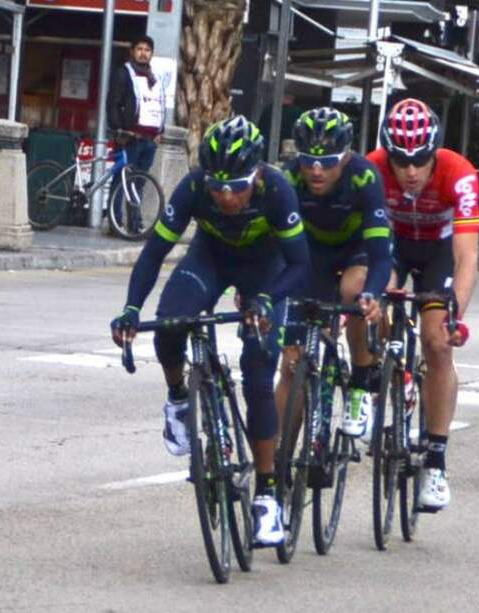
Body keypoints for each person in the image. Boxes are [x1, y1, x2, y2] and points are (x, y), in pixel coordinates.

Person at [110, 116, 310, 546]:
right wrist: (130, 309)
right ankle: (180, 400)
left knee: (258, 374)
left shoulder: (276, 189)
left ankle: (268, 497)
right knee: (169, 323)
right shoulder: (195, 187)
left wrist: (266, 300)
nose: (224, 196)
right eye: (217, 186)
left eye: (235, 187)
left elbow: (299, 263)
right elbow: (153, 254)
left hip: (267, 269)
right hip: (211, 259)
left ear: (255, 174)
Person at [367, 98, 479, 511]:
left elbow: (467, 257)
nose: (411, 172)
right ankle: (391, 372)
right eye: (401, 160)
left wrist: (456, 316)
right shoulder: (372, 168)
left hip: (438, 251)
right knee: (373, 300)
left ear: (434, 152)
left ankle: (435, 460)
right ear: (388, 153)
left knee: (437, 341)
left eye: (420, 160)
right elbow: (369, 249)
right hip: (393, 245)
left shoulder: (458, 173)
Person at [277, 107, 393, 441]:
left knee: (354, 291)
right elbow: (272, 248)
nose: (316, 170)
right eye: (308, 160)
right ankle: (280, 465)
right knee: (291, 364)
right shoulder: (289, 179)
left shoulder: (364, 177)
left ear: (344, 158)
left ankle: (360, 380)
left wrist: (371, 294)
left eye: (327, 161)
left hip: (357, 248)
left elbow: (380, 254)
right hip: (312, 256)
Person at [106, 34, 167, 230]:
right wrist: (118, 129)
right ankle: (115, 222)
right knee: (121, 181)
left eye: (147, 50)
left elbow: (159, 104)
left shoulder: (154, 77)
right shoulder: (124, 73)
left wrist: (160, 130)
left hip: (150, 140)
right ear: (132, 51)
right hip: (130, 138)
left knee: (138, 182)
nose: (143, 53)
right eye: (140, 49)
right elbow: (113, 103)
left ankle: (134, 223)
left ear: (152, 53)